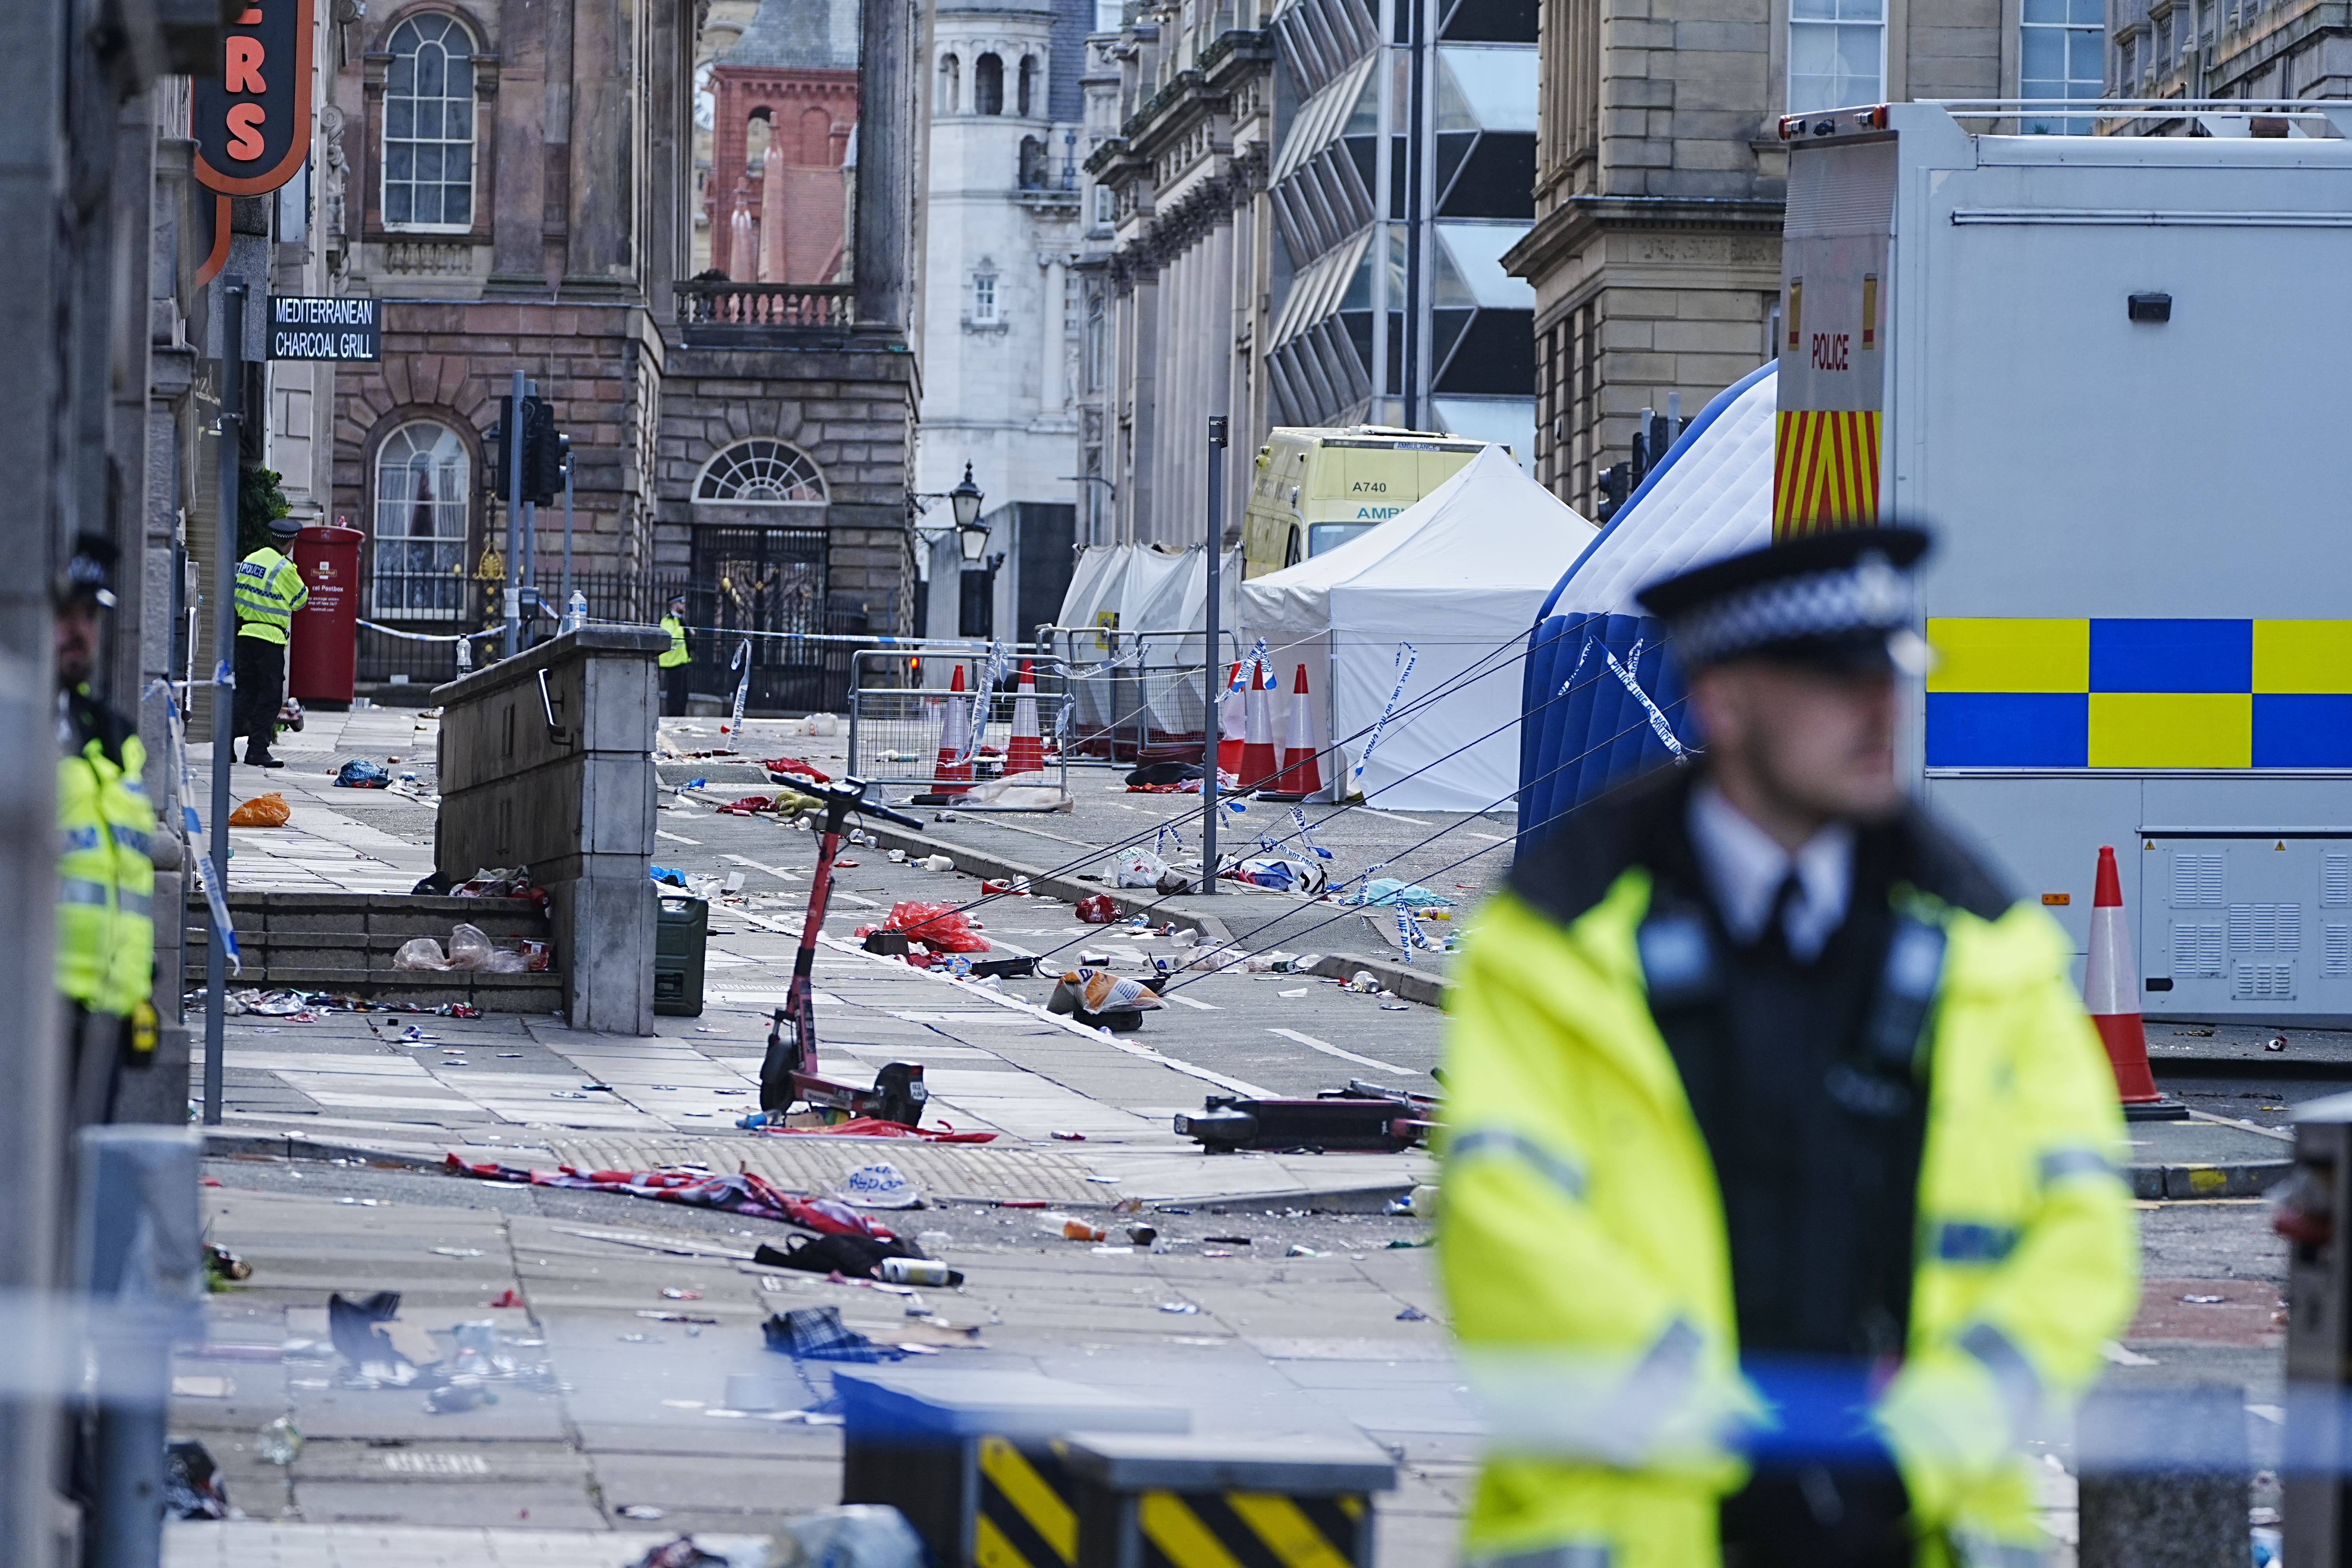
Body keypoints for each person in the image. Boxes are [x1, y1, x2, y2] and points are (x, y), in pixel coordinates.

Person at [1439, 526, 2138, 1568]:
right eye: (1836, 682)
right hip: (1646, 1530)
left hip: (1911, 1527)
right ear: (1724, 703)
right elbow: (1505, 1232)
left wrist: (1935, 1435)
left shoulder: (1989, 952)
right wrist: (1710, 1427)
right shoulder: (1553, 947)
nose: (1882, 710)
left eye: (1890, 677)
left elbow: (2080, 1233)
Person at [56, 535, 159, 1129]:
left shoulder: (114, 738)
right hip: (32, 1011)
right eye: (65, 613)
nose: (79, 632)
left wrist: (140, 989)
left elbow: (126, 878)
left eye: (90, 616)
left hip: (107, 1020)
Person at [232, 514, 308, 767]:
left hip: (246, 634)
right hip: (270, 639)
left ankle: (225, 746)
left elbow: (238, 596)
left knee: (245, 692)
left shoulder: (250, 560)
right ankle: (257, 750)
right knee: (270, 697)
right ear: (291, 542)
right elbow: (301, 599)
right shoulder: (283, 568)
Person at [659, 594, 691, 716]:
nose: (684, 606)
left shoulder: (680, 620)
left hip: (683, 660)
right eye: (682, 603)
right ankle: (673, 715)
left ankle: (681, 715)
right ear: (674, 605)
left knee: (683, 693)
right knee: (674, 692)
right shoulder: (668, 620)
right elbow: (670, 637)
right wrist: (684, 630)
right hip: (672, 662)